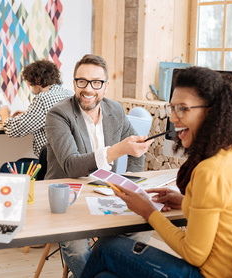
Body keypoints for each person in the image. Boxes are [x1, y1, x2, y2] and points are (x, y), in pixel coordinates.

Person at [80, 66, 232, 278]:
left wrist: (149, 211)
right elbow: (223, 213)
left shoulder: (210, 170)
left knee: (106, 249)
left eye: (182, 108)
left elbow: (194, 254)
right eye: (172, 108)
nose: (172, 118)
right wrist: (185, 202)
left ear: (211, 111)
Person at [44, 54, 153, 277]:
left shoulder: (115, 110)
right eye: (82, 81)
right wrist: (117, 150)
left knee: (144, 226)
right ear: (74, 83)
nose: (88, 89)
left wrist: (130, 184)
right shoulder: (59, 114)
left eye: (96, 82)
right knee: (76, 248)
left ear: (105, 86)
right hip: (68, 196)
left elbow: (136, 149)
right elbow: (71, 166)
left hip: (105, 192)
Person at [0, 59, 73, 157]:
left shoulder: (43, 98)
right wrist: (28, 114)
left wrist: (4, 113)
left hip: (50, 164)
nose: (31, 88)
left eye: (30, 83)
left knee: (5, 168)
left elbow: (12, 129)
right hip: (67, 159)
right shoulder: (69, 94)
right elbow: (50, 116)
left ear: (37, 80)